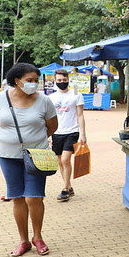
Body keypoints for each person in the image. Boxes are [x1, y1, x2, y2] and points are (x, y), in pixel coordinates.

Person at [0, 63, 58, 256]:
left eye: (37, 80)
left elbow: (52, 126)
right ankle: (23, 241)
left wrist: (36, 141)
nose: (34, 84)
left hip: (37, 156)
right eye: (30, 81)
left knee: (34, 197)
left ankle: (38, 237)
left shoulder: (44, 101)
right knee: (17, 197)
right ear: (17, 81)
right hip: (8, 156)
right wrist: (8, 142)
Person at [49, 69, 87, 202]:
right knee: (59, 161)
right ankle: (69, 186)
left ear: (68, 80)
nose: (62, 82)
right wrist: (48, 135)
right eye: (59, 80)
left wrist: (83, 134)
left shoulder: (76, 95)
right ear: (54, 81)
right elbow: (48, 118)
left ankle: (65, 189)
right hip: (56, 132)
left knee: (65, 159)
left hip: (72, 131)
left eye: (64, 80)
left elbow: (80, 115)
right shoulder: (51, 98)